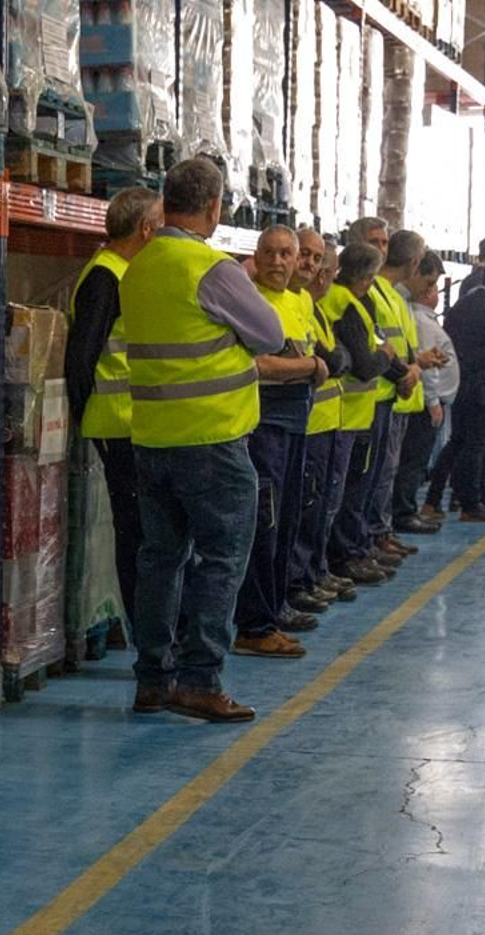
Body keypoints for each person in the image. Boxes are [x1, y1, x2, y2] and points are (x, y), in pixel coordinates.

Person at [119, 156, 284, 723]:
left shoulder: (137, 266)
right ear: (214, 207)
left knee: (160, 560)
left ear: (165, 201)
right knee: (221, 559)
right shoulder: (210, 268)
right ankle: (199, 680)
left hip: (151, 438)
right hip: (212, 441)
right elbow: (271, 334)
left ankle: (152, 680)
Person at [64, 186, 162, 624]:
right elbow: (81, 355)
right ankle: (145, 630)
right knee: (137, 532)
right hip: (116, 423)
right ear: (146, 229)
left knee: (148, 531)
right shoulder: (106, 276)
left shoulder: (128, 273)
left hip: (135, 423)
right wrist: (82, 414)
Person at [232, 225, 329, 658]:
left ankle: (276, 608)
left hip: (297, 425)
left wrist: (309, 364)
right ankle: (254, 625)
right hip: (264, 427)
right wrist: (309, 367)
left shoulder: (301, 301)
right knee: (264, 527)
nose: (278, 262)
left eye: (286, 254)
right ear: (256, 257)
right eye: (269, 253)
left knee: (288, 521)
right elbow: (257, 364)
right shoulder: (249, 301)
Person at [325, 243, 406, 584]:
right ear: (367, 277)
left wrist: (398, 368)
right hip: (349, 413)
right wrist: (386, 357)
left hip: (357, 412)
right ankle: (347, 555)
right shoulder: (347, 305)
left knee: (358, 487)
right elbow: (365, 364)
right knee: (351, 491)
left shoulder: (352, 300)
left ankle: (357, 548)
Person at [288, 234, 352, 614]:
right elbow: (331, 358)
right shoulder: (298, 305)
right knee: (308, 508)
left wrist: (333, 360)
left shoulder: (315, 308)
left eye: (319, 262)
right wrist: (331, 360)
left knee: (323, 506)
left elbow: (338, 358)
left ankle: (314, 571)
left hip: (326, 422)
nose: (315, 270)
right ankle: (298, 581)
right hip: (309, 425)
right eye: (306, 257)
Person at [363, 225, 427, 563]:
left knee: (386, 472)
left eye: (384, 242)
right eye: (374, 242)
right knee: (373, 475)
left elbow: (403, 344)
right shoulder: (372, 292)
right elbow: (378, 342)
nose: (381, 249)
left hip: (396, 393)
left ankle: (381, 531)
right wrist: (404, 373)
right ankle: (372, 535)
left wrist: (414, 367)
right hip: (379, 392)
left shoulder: (393, 295)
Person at [440, 257, 485, 522]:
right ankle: (472, 503)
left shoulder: (462, 305)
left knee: (458, 441)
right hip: (484, 389)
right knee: (477, 447)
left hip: (460, 384)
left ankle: (442, 498)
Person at [396, 252, 456, 527]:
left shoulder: (411, 312)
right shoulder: (417, 317)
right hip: (416, 400)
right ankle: (404, 512)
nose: (431, 290)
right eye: (430, 283)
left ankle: (400, 514)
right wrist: (432, 401)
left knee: (411, 461)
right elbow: (424, 364)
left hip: (413, 399)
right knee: (412, 461)